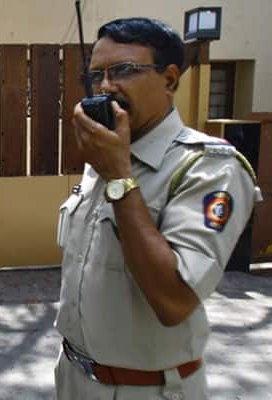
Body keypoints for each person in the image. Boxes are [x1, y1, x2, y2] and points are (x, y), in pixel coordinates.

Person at [54, 17, 260, 400]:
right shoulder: (109, 153)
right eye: (97, 74)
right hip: (73, 379)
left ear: (169, 79)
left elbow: (174, 301)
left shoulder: (209, 167)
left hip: (145, 390)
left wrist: (119, 177)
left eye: (124, 70)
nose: (106, 87)